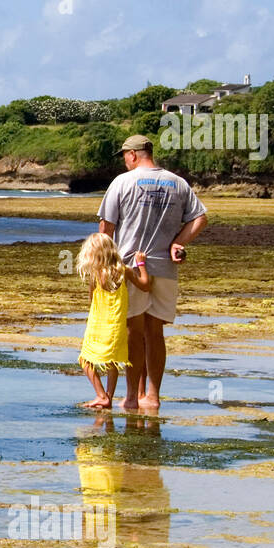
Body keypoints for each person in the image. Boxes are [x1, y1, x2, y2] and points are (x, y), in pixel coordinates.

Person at [97, 134, 207, 410]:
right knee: (155, 332)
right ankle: (153, 396)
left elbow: (106, 228)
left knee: (133, 330)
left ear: (133, 155)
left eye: (124, 156)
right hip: (164, 265)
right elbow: (200, 218)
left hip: (131, 265)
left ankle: (131, 396)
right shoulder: (177, 182)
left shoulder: (122, 182)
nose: (124, 162)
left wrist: (104, 265)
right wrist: (178, 243)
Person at [75, 232, 151, 408]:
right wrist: (141, 264)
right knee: (112, 362)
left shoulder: (95, 275)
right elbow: (145, 285)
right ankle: (108, 396)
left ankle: (101, 395)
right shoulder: (124, 271)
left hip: (97, 325)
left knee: (84, 360)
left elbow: (92, 300)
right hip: (116, 326)